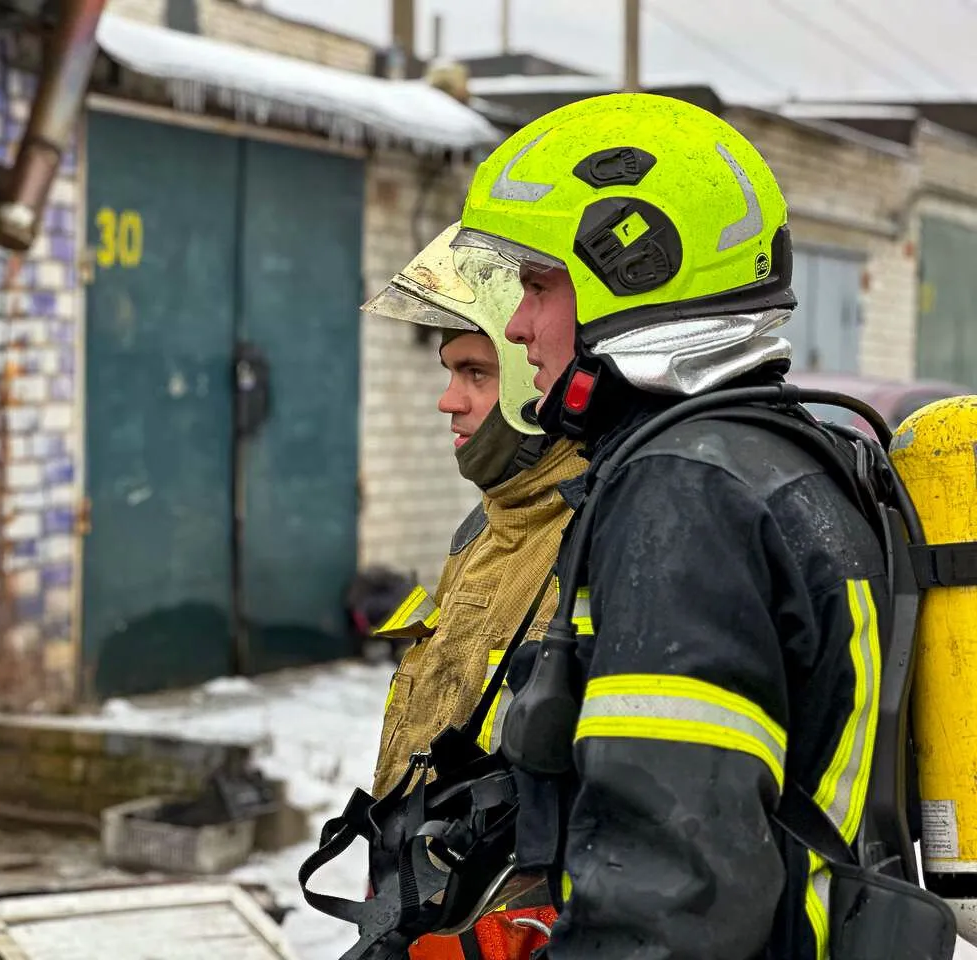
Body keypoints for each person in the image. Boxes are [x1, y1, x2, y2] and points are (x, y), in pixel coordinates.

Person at [449, 91, 905, 959]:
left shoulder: (685, 493)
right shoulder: (776, 462)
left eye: (539, 287)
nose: (517, 325)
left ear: (635, 271)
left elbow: (669, 903)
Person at [359, 221, 586, 960]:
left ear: (531, 379)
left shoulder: (596, 538)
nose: (447, 402)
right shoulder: (487, 529)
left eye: (475, 375)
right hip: (429, 920)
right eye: (449, 373)